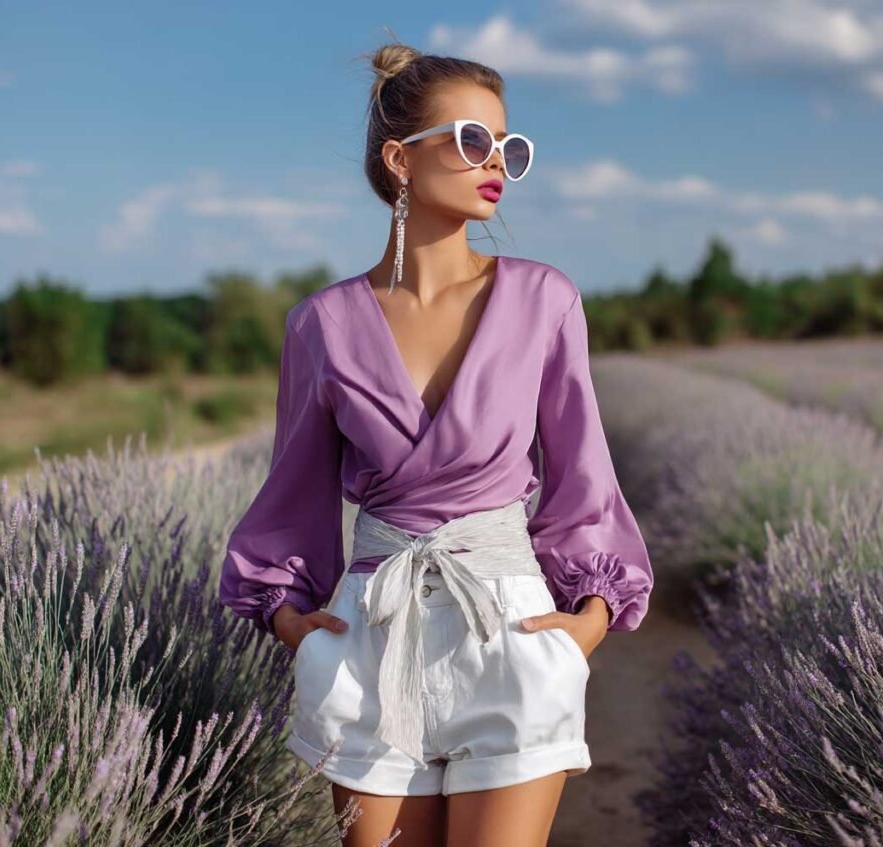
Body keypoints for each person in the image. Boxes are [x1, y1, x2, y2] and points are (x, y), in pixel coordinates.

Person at [219, 34, 654, 847]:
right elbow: (292, 489)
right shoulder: (320, 324)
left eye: (508, 146)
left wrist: (590, 618)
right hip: (370, 642)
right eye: (471, 140)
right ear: (400, 159)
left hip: (510, 636)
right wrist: (289, 619)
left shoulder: (544, 299)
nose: (496, 161)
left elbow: (584, 473)